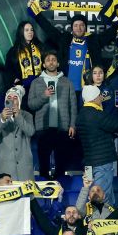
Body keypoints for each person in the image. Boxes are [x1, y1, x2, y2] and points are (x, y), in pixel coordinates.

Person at [29, 3, 118, 96]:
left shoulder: (93, 41)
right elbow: (48, 28)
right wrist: (35, 12)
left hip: (88, 88)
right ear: (72, 28)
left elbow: (110, 33)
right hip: (66, 89)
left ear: (85, 27)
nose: (78, 28)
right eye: (76, 25)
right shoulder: (65, 40)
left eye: (81, 25)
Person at [75, 85, 118, 206]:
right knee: (102, 197)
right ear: (94, 97)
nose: (101, 97)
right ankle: (103, 223)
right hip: (102, 162)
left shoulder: (80, 115)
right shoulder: (96, 114)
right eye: (99, 95)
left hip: (88, 164)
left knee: (91, 194)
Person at [27, 51, 77, 179]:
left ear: (58, 63)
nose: (51, 61)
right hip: (43, 129)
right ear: (44, 64)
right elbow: (31, 105)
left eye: (54, 59)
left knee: (61, 165)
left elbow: (73, 105)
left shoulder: (67, 82)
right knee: (43, 165)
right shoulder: (36, 82)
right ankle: (45, 195)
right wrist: (44, 96)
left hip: (62, 129)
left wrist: (72, 125)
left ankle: (59, 194)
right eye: (48, 59)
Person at [0, 86, 34, 181]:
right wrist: (2, 119)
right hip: (6, 169)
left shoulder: (27, 116)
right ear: (5, 101)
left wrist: (18, 117)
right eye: (9, 98)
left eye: (15, 98)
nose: (12, 100)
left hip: (24, 169)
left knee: (27, 195)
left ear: (20, 100)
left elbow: (30, 132)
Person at [5, 21, 45, 87]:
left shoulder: (40, 47)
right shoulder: (14, 51)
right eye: (26, 30)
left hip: (39, 85)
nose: (30, 32)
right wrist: (16, 81)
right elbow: (9, 70)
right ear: (21, 32)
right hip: (22, 86)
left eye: (31, 30)